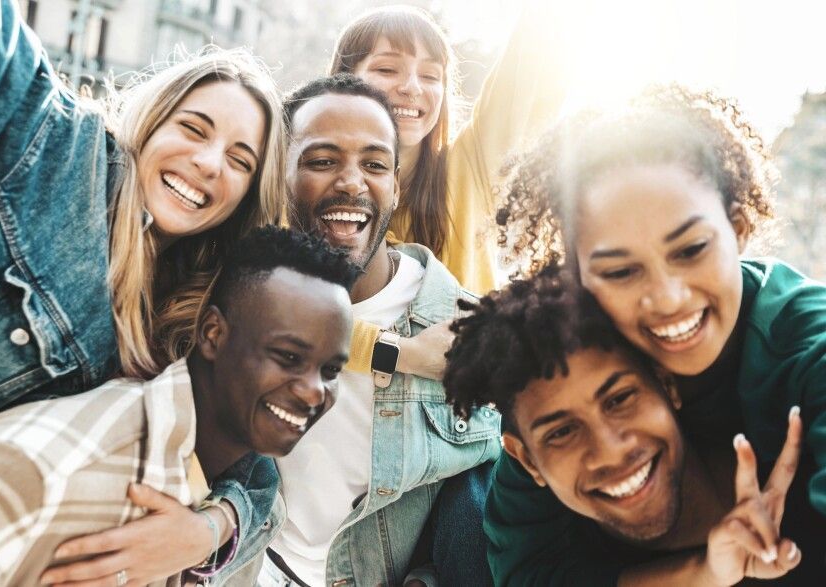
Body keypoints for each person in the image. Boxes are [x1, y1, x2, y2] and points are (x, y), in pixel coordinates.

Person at [486, 86, 826, 584]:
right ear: (575, 276)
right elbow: (532, 572)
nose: (667, 298)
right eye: (621, 271)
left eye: (691, 249)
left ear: (739, 227)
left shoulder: (805, 345)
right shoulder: (568, 380)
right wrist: (705, 572)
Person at [0, 226, 357, 587]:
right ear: (212, 333)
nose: (314, 391)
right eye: (288, 357)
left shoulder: (225, 478)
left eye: (331, 370)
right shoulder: (56, 464)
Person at [0, 0, 286, 437]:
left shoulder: (198, 314)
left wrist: (227, 508)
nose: (208, 163)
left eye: (239, 161)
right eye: (193, 128)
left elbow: (249, 460)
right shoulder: (53, 145)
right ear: (151, 121)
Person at [239, 74, 500, 587]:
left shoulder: (476, 333)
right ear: (280, 177)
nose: (352, 182)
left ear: (397, 185)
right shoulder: (231, 305)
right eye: (321, 161)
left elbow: (500, 505)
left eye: (375, 164)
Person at [445, 264, 818, 585]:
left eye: (620, 399)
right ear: (527, 461)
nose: (610, 448)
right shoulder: (557, 551)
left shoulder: (806, 452)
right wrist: (706, 573)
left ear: (667, 383)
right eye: (561, 432)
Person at [329, 2, 576, 381]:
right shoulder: (305, 188)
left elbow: (539, 51)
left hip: (459, 428)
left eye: (431, 75)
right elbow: (275, 315)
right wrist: (403, 354)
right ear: (343, 83)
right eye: (386, 69)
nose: (412, 87)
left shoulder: (472, 165)